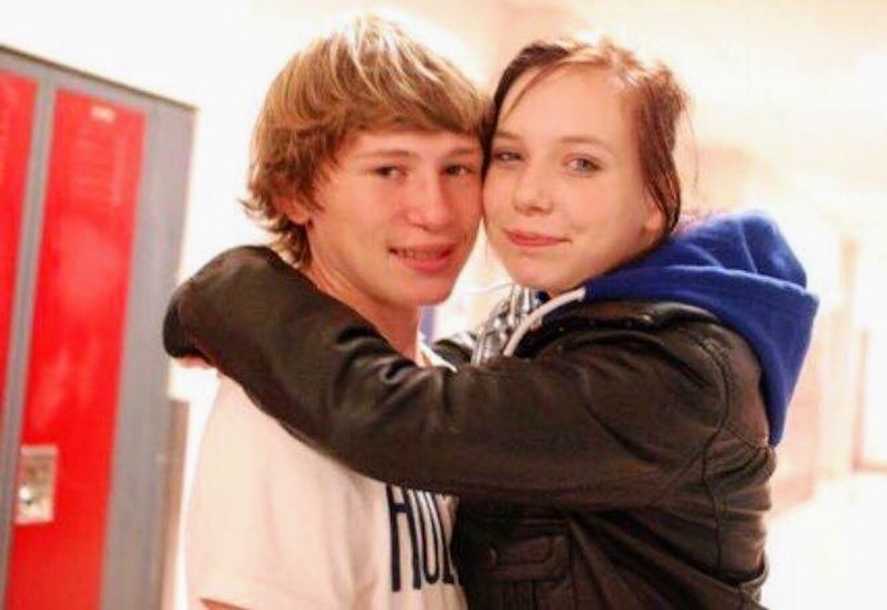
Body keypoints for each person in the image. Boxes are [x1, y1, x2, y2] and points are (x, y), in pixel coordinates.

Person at [166, 36, 818, 609]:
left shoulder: (676, 369)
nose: (529, 195)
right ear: (296, 194)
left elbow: (400, 414)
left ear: (656, 202)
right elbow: (479, 376)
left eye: (582, 163)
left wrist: (227, 294)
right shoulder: (279, 415)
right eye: (508, 157)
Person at [178, 14, 488, 610]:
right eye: (389, 170)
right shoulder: (278, 415)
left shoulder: (432, 390)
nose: (436, 210)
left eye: (457, 168)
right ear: (294, 193)